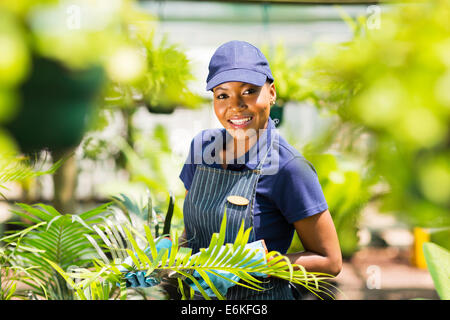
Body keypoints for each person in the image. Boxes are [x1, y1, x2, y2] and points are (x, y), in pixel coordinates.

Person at [178, 40, 342, 300]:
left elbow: (330, 261)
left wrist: (260, 265)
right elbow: (191, 232)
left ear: (272, 93)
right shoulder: (201, 148)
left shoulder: (289, 168)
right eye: (223, 95)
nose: (235, 105)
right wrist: (163, 264)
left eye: (249, 91)